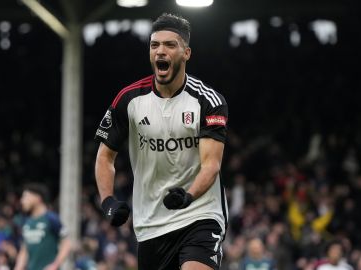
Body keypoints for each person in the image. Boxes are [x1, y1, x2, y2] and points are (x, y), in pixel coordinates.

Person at [94, 13, 229, 270]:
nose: (160, 51)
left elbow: (211, 165)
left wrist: (188, 197)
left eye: (170, 45)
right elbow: (105, 156)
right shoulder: (128, 100)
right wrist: (108, 201)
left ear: (186, 53)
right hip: (151, 224)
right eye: (154, 45)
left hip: (199, 213)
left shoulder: (208, 101)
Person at [14, 183, 71, 270]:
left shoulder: (51, 219)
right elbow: (24, 249)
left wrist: (55, 265)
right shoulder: (27, 222)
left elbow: (66, 243)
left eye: (26, 197)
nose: (22, 201)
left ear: (37, 198)